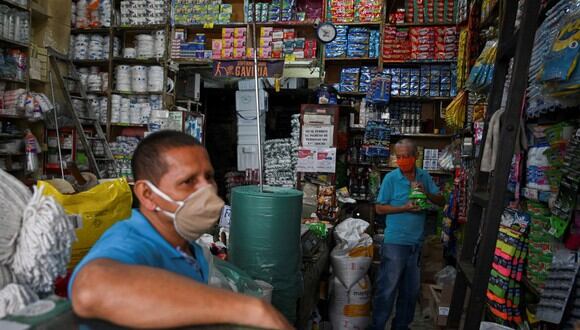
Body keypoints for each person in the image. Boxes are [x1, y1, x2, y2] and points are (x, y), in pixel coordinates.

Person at [69, 130, 292, 329]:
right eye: (188, 181)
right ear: (148, 194)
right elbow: (90, 289)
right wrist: (251, 309)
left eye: (208, 177)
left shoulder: (189, 246)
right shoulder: (130, 241)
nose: (207, 189)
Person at [370, 139, 445, 330]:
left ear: (415, 157)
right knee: (387, 290)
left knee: (410, 293)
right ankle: (378, 326)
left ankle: (401, 326)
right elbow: (379, 208)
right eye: (399, 157)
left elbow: (441, 200)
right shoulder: (391, 179)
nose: (402, 160)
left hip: (416, 244)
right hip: (395, 243)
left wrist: (426, 192)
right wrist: (404, 207)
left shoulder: (424, 176)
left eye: (406, 156)